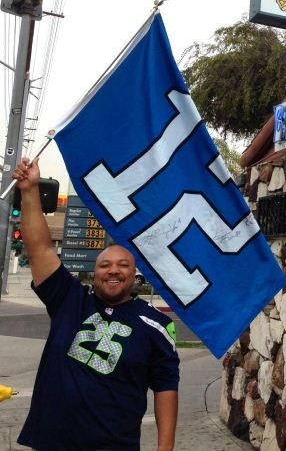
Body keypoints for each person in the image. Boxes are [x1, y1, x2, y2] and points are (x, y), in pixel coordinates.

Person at [12, 157, 180, 450]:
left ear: (134, 272)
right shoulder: (69, 298)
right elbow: (39, 247)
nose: (113, 270)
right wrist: (29, 190)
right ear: (95, 272)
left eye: (123, 265)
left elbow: (165, 387)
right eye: (105, 265)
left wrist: (165, 448)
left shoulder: (158, 324)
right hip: (51, 441)